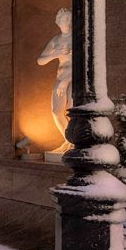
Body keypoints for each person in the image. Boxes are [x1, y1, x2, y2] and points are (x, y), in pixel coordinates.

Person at [37, 8, 73, 155]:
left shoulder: (76, 38)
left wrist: (66, 82)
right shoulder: (56, 40)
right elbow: (40, 60)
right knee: (56, 112)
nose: (63, 22)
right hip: (60, 77)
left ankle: (73, 143)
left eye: (65, 19)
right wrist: (56, 53)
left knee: (73, 111)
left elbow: (79, 62)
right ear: (57, 22)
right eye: (61, 19)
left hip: (74, 78)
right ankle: (69, 140)